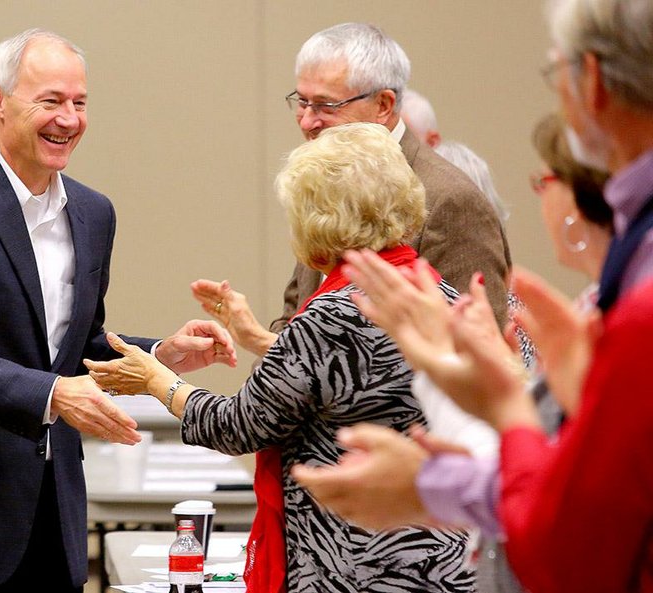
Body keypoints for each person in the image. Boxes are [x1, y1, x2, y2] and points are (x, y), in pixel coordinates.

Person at [0, 29, 234, 593]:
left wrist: (161, 353)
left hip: (47, 514)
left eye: (80, 103)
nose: (70, 119)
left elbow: (72, 347)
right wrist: (52, 394)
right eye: (51, 101)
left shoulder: (92, 212)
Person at [299, 0, 653, 588]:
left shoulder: (639, 302)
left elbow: (569, 545)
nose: (309, 120)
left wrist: (486, 400)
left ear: (589, 81)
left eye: (555, 70)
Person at [86, 123, 476, 593]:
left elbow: (238, 424)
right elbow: (351, 378)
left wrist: (157, 381)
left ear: (320, 219)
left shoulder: (334, 315)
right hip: (441, 556)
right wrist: (255, 337)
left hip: (352, 560)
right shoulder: (438, 294)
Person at [191, 22, 511, 363]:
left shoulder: (450, 198)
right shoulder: (328, 183)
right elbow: (297, 320)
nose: (306, 121)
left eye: (326, 105)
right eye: (302, 102)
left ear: (384, 105)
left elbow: (478, 352)